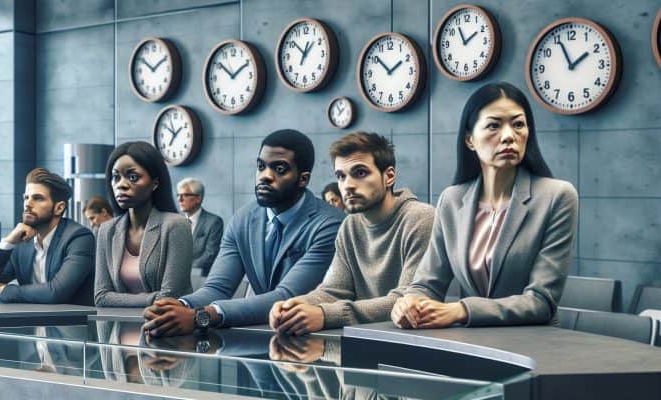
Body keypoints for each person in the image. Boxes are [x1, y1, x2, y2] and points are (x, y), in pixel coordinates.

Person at [391, 82, 578, 329]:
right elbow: (427, 284)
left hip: (534, 344)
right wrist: (409, 302)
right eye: (494, 125)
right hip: (472, 344)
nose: (509, 135)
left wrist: (462, 310)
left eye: (518, 124)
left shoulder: (557, 196)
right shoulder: (451, 200)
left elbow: (541, 301)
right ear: (470, 140)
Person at [142, 129, 344, 335]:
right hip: (258, 342)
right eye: (261, 166)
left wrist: (200, 317)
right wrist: (178, 306)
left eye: (280, 169)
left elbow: (286, 297)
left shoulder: (330, 225)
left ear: (303, 179)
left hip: (314, 345)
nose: (265, 176)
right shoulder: (243, 219)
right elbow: (217, 288)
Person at [269, 132, 435, 335]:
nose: (347, 185)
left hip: (413, 345)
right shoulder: (349, 226)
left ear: (389, 176)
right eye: (341, 176)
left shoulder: (421, 218)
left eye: (360, 173)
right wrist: (293, 306)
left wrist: (325, 315)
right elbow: (333, 290)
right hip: (361, 343)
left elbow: (407, 300)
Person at [0, 168, 95, 305]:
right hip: (32, 324)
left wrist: (5, 291)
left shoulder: (79, 238)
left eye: (38, 198)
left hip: (73, 324)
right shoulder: (22, 242)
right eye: (26, 197)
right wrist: (7, 243)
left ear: (59, 208)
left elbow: (56, 292)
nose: (27, 204)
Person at [93, 141, 193, 307]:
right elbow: (101, 297)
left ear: (155, 183)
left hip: (163, 328)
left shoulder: (176, 226)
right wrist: (153, 298)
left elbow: (170, 298)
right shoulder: (106, 230)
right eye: (116, 177)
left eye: (133, 177)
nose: (121, 185)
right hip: (118, 329)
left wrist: (119, 299)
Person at [175, 178, 224, 281]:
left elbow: (210, 254)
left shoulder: (214, 222)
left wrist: (184, 269)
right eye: (178, 195)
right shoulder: (174, 221)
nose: (180, 199)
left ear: (198, 198)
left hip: (201, 278)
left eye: (185, 195)